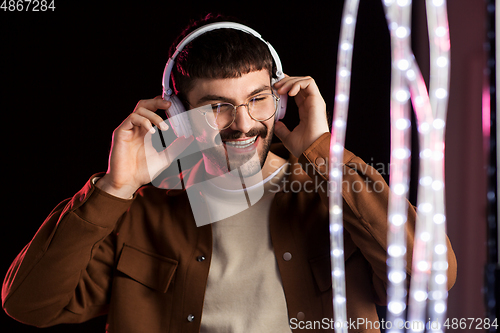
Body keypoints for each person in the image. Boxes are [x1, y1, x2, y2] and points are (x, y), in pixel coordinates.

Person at [2, 14, 457, 333]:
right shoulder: (141, 212)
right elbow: (30, 306)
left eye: (258, 98)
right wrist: (113, 188)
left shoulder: (327, 195)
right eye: (216, 107)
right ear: (178, 114)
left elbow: (433, 278)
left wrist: (325, 153)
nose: (243, 123)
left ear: (279, 99)